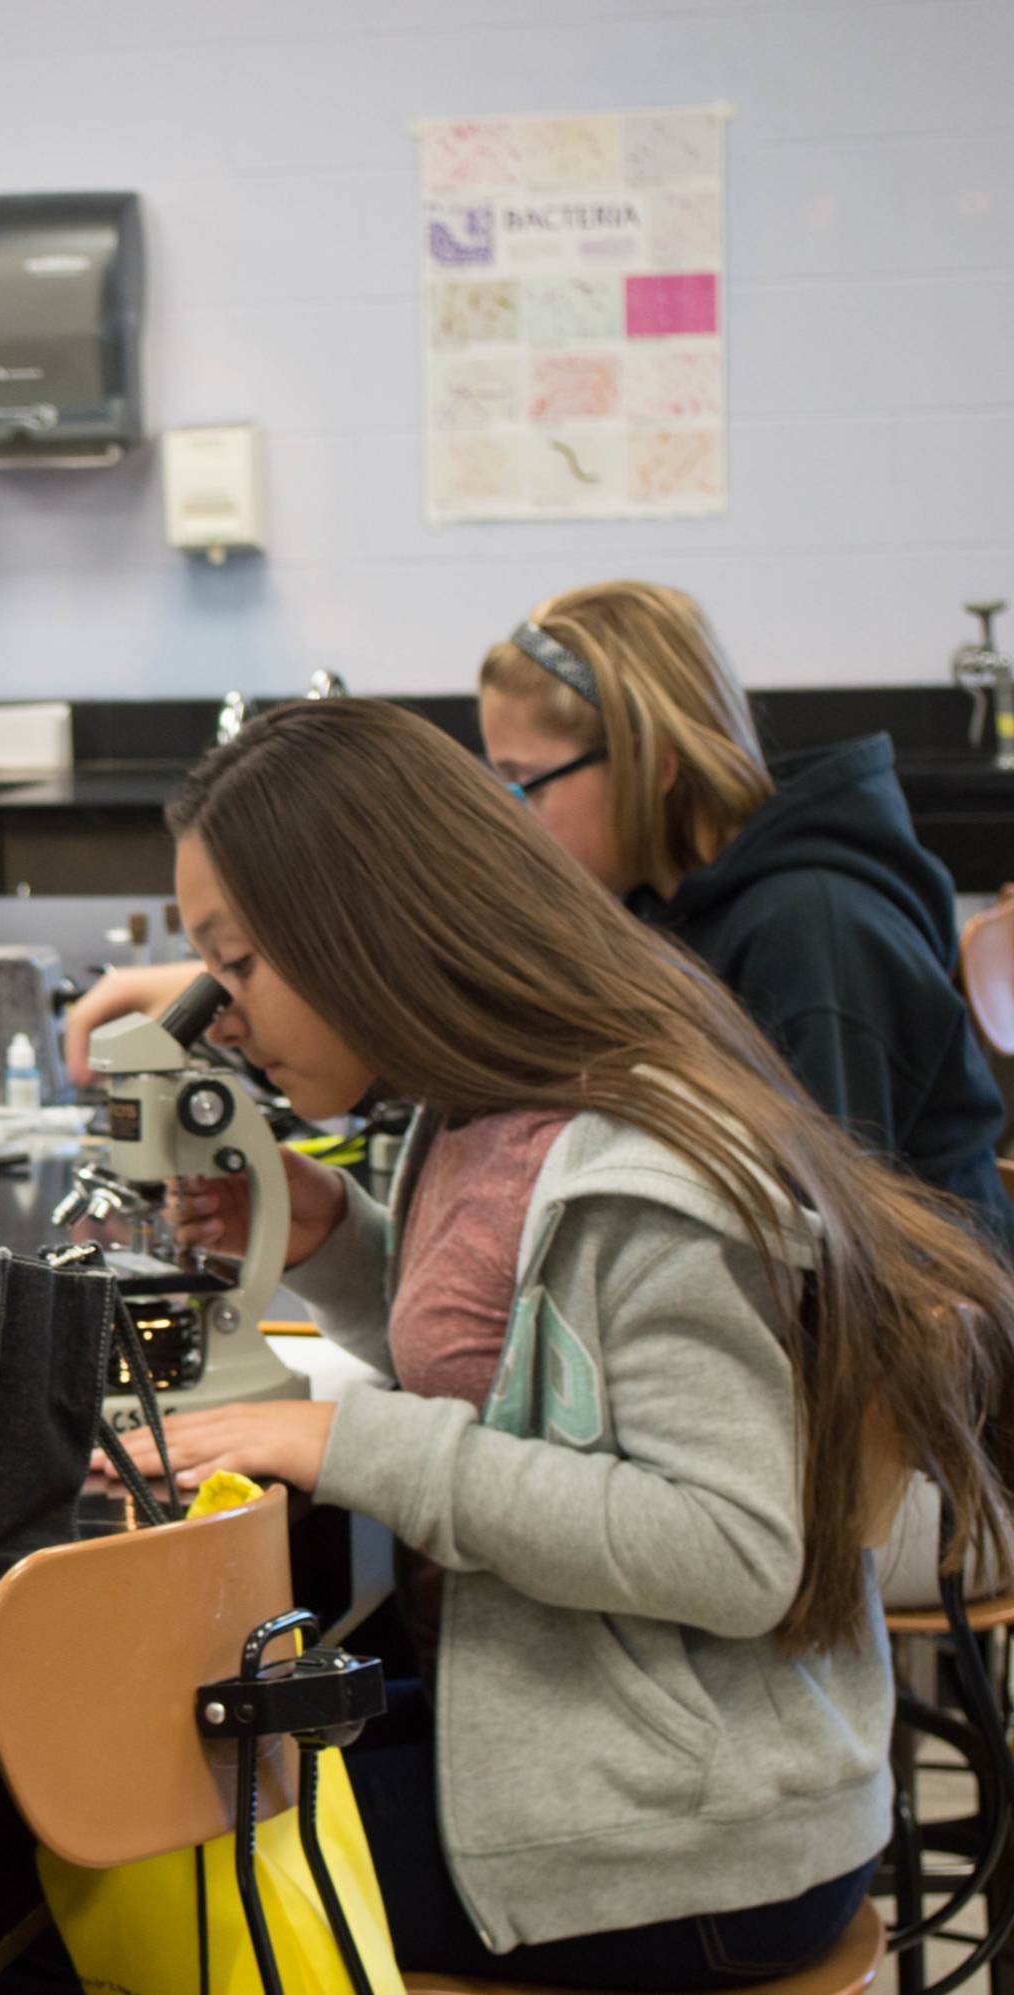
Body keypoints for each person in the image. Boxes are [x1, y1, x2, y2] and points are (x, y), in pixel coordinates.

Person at [104, 698, 1014, 1983]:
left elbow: (732, 1546)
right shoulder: (487, 1110)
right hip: (583, 1736)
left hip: (692, 1842)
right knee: (150, 1769)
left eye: (238, 965)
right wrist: (334, 1241)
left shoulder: (643, 1163)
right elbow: (518, 1374)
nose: (221, 1015)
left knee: (114, 1867)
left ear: (362, 936)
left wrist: (335, 1439)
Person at [66, 580, 1013, 1247]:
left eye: (524, 782)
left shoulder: (817, 930)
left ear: (654, 762)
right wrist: (253, 970)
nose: (503, 816)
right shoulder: (673, 905)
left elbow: (830, 1251)